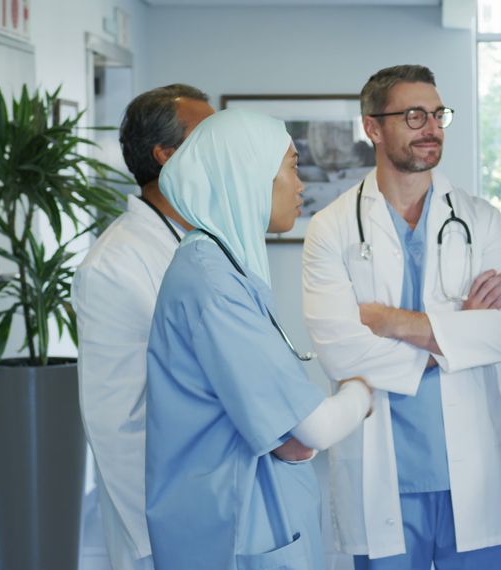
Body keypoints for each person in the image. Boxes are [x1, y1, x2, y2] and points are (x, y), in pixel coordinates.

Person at [302, 64, 501, 568]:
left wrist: (392, 322)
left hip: (472, 476)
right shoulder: (331, 228)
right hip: (381, 473)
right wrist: (457, 332)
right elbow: (340, 352)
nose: (432, 127)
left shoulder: (479, 218)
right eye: (414, 115)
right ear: (373, 127)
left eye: (438, 114)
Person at [144, 109, 373, 569]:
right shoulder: (211, 283)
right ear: (250, 175)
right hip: (230, 528)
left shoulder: (222, 267)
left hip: (252, 517)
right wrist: (360, 390)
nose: (301, 184)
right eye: (291, 166)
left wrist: (290, 430)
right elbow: (315, 430)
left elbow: (293, 435)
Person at [72, 84, 215, 570]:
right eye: (209, 137)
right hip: (165, 522)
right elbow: (115, 423)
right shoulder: (112, 267)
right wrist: (156, 533)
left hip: (215, 496)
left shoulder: (203, 241)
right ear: (166, 156)